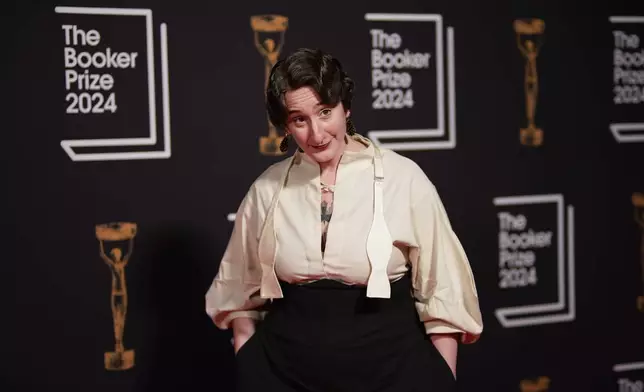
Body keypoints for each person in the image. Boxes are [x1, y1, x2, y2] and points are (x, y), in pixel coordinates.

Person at [205, 48, 483, 391]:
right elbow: (237, 288)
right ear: (286, 125)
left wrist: (441, 375)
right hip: (283, 372)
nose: (316, 134)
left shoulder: (404, 178)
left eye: (325, 112)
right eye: (299, 119)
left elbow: (443, 287)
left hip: (394, 369)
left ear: (345, 108)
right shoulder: (267, 189)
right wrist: (248, 362)